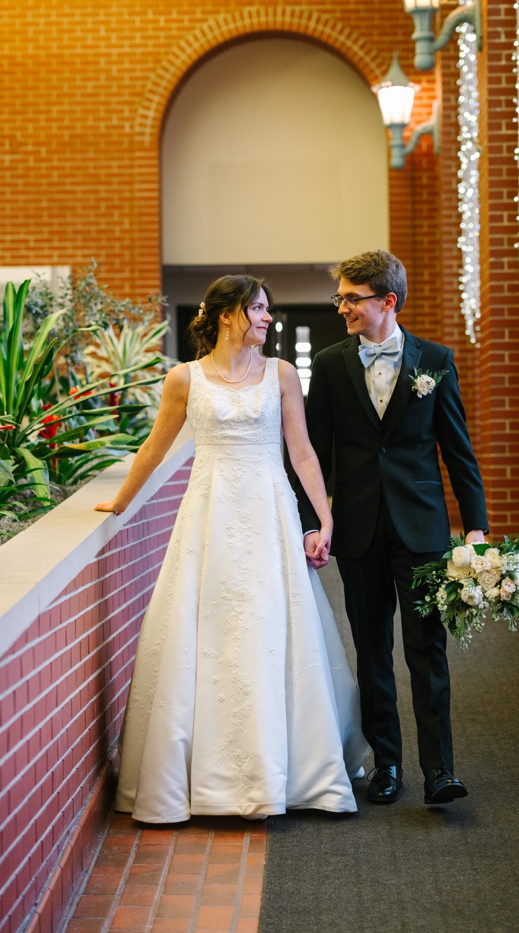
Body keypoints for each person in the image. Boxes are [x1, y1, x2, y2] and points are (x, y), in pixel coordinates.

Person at [95, 274, 368, 823]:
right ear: (227, 315)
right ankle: (204, 776)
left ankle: (290, 768)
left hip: (269, 513)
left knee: (272, 626)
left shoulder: (282, 374)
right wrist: (120, 501)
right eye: (260, 309)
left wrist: (325, 516)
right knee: (209, 630)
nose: (269, 319)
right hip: (210, 515)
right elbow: (156, 445)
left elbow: (304, 453)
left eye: (268, 310)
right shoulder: (184, 379)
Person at [295, 249, 488, 806]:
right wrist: (314, 521)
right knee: (372, 650)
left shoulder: (436, 360)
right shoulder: (331, 365)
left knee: (427, 650)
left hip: (422, 531)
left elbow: (459, 454)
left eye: (352, 299)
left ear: (388, 301)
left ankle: (440, 771)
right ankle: (387, 765)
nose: (343, 310)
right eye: (341, 298)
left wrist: (474, 529)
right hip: (357, 531)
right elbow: (314, 455)